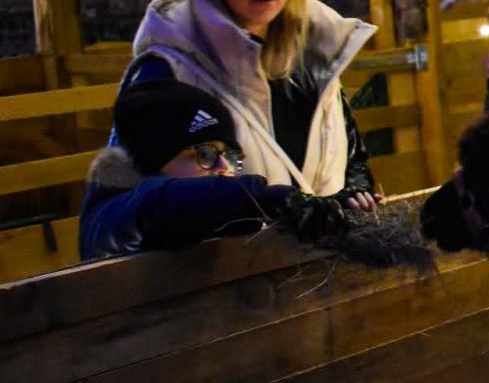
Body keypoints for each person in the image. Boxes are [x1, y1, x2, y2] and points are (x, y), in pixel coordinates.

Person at [118, 0, 379, 211]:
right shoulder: (165, 74)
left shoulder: (315, 59)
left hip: (329, 247)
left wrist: (354, 193)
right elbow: (123, 209)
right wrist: (264, 205)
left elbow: (350, 159)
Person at [79, 80, 348, 258]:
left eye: (229, 155)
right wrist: (268, 198)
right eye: (204, 154)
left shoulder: (204, 219)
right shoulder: (116, 219)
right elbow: (162, 203)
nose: (224, 167)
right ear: (152, 162)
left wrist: (331, 208)